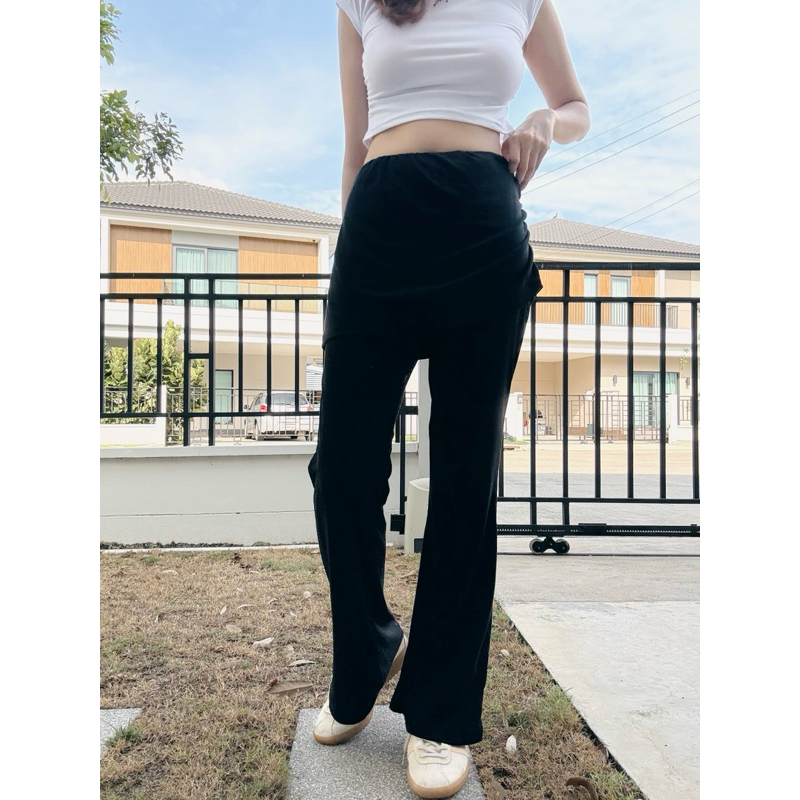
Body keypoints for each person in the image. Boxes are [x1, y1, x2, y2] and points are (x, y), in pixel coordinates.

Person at [306, 1, 590, 797]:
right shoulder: (359, 2)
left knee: (465, 480)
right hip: (379, 224)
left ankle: (439, 712)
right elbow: (354, 141)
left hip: (480, 226)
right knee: (342, 472)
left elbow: (576, 105)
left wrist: (544, 120)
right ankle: (366, 652)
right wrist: (347, 255)